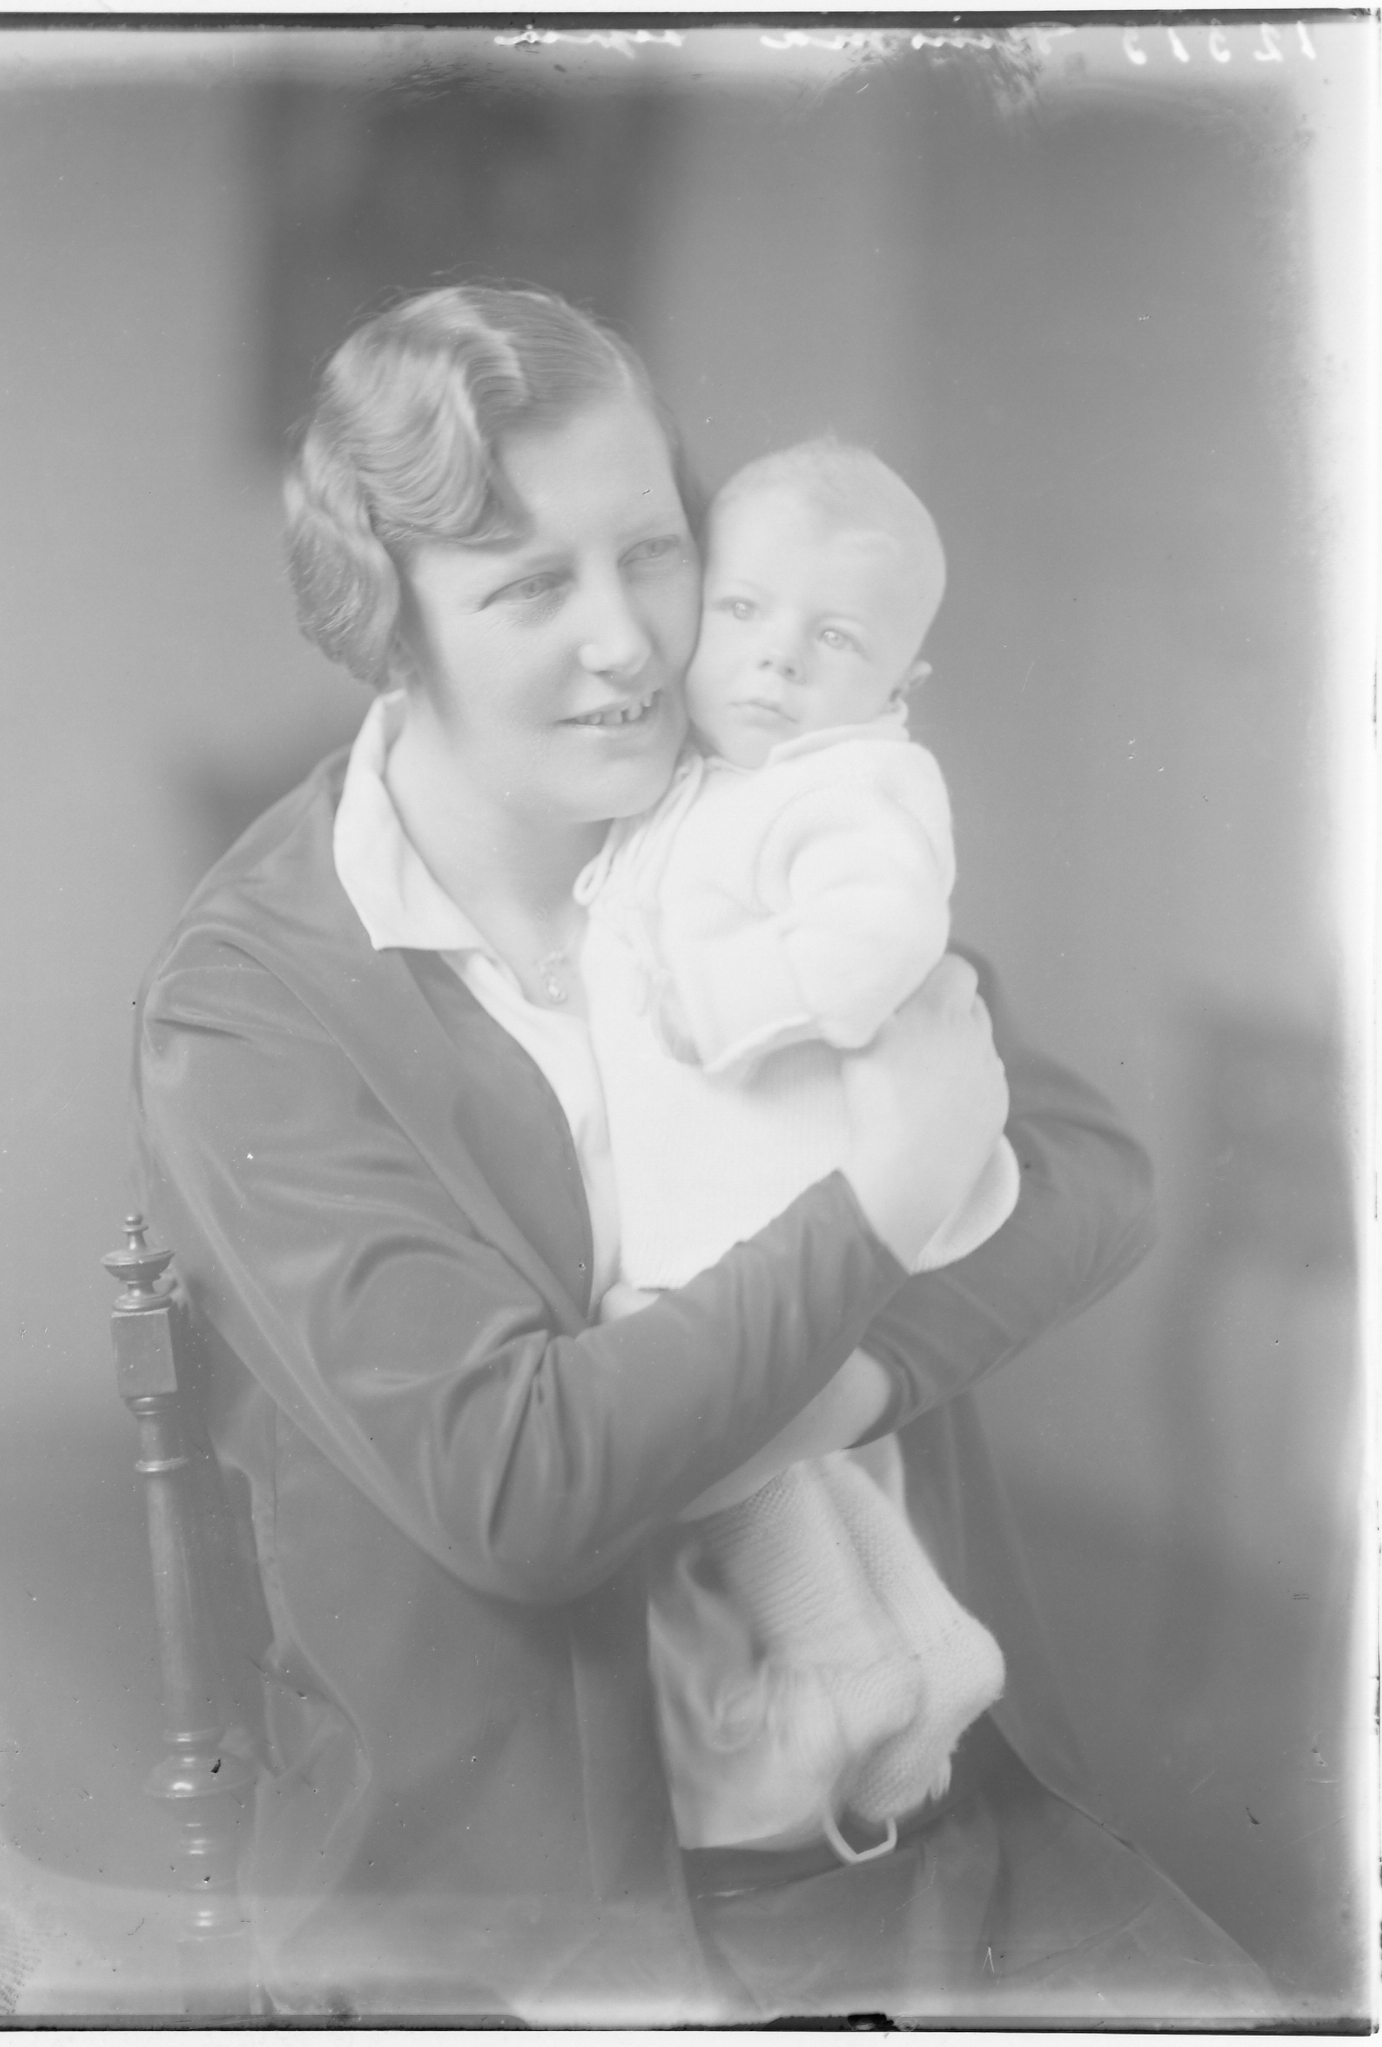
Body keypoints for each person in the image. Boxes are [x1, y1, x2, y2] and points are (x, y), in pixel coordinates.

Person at [131, 284, 1270, 2024]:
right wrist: (884, 1205)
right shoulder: (254, 1004)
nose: (632, 644)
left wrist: (829, 1393)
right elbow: (523, 1494)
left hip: (934, 1828)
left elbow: (1087, 1165)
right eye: (530, 585)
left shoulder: (735, 801)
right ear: (388, 623)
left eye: (654, 552)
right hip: (547, 1926)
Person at [581, 438, 1018, 1863]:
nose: (776, 659)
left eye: (834, 639)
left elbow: (878, 935)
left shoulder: (860, 785)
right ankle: (926, 1639)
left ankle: (837, 1661)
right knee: (787, 1443)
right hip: (736, 1189)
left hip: (768, 1191)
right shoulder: (713, 781)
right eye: (745, 612)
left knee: (701, 1408)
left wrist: (719, 1001)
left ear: (901, 681)